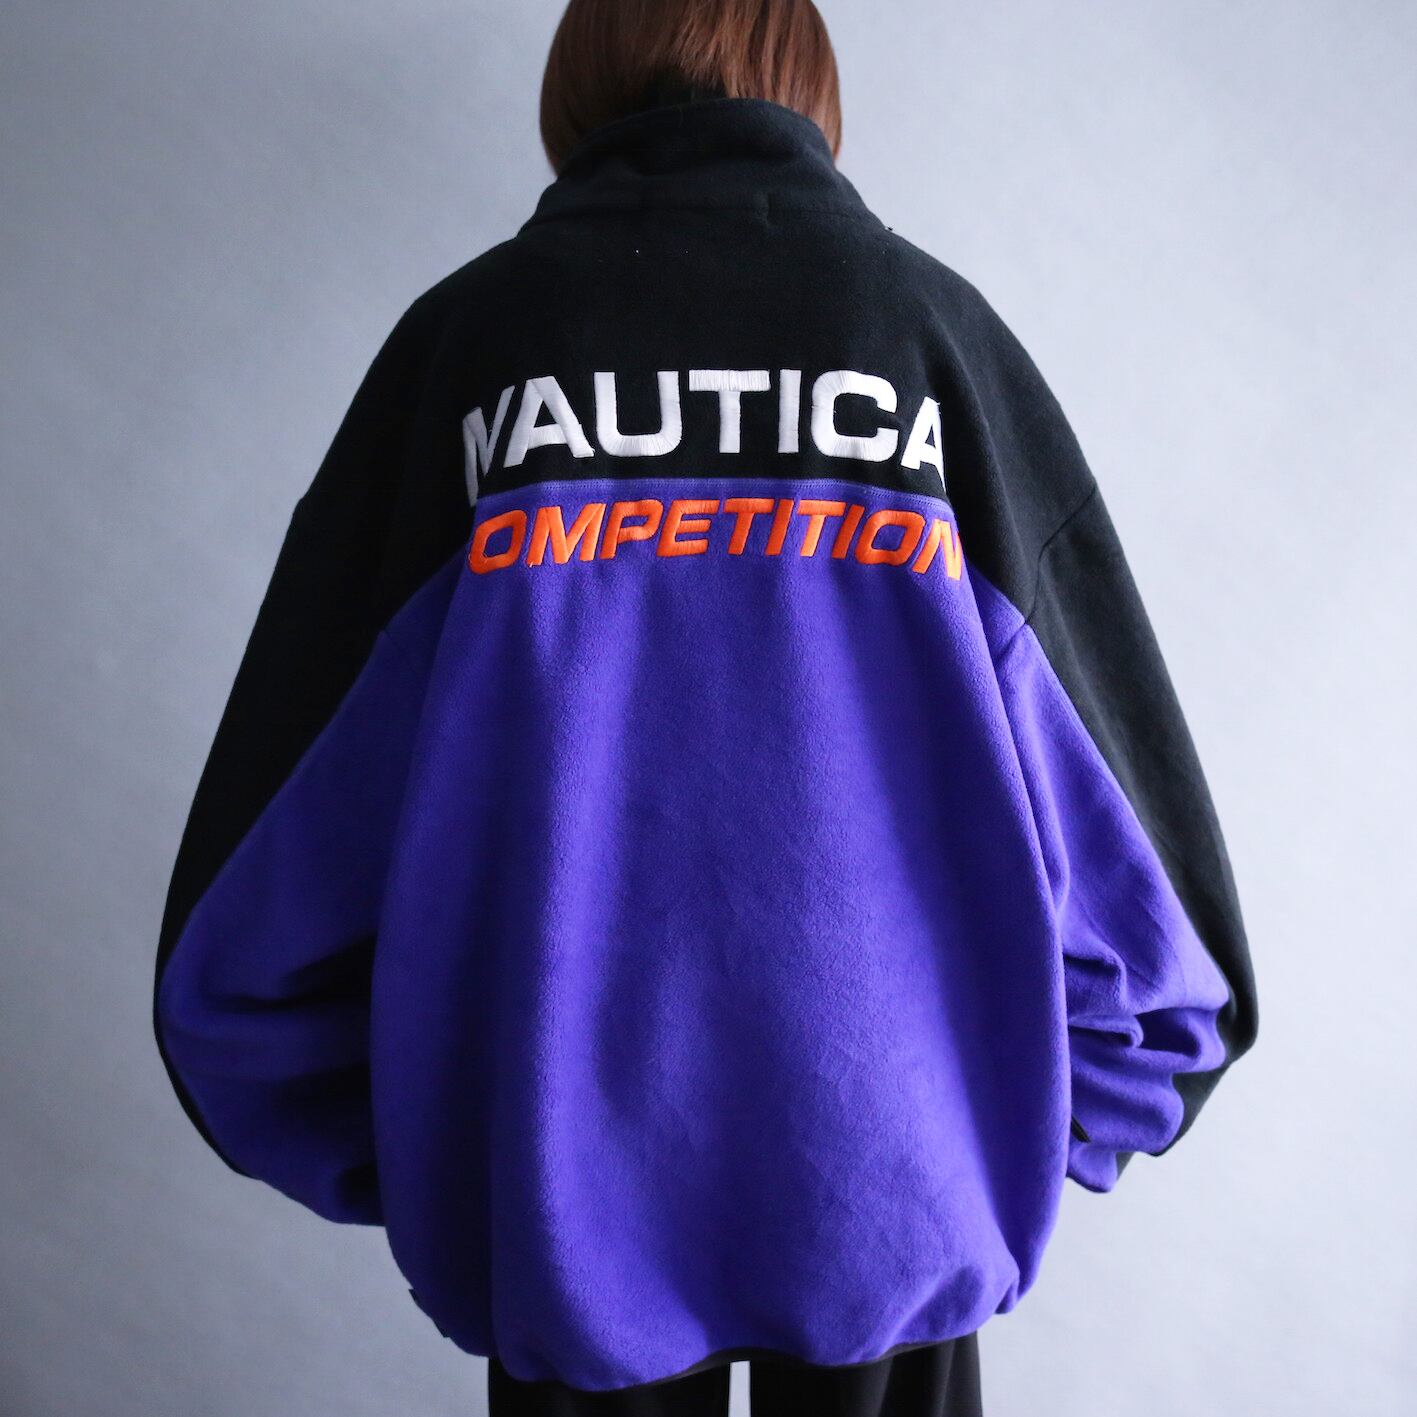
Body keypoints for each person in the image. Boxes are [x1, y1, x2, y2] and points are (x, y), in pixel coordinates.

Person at [151, 2, 1259, 1413]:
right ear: (811, 86)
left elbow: (262, 890)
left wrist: (453, 1152)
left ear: (576, 88)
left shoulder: (470, 350)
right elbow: (1149, 894)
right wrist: (998, 1135)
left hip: (560, 1212)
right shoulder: (931, 337)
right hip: (891, 1199)